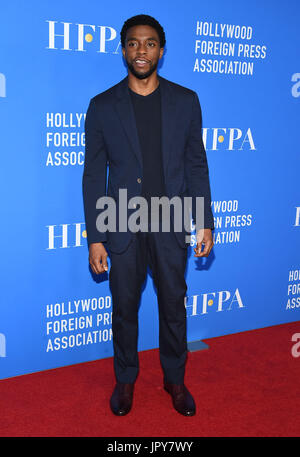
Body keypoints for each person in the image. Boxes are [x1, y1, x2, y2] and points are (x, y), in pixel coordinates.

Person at [82, 14, 214, 417]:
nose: (142, 51)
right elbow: (93, 175)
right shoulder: (102, 106)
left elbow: (196, 164)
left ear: (161, 49)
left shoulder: (186, 100)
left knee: (174, 304)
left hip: (171, 219)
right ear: (123, 49)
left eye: (150, 43)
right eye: (134, 43)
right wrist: (96, 236)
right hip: (121, 221)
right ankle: (125, 380)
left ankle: (175, 378)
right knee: (124, 307)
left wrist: (204, 219)